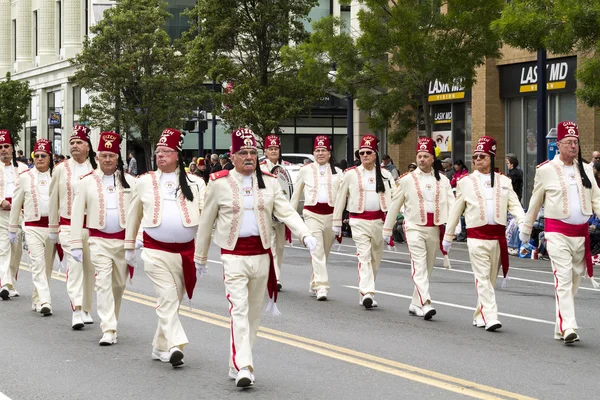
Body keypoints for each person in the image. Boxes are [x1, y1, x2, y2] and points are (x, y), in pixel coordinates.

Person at [194, 128, 315, 388]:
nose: (248, 157)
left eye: (252, 152)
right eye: (243, 152)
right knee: (238, 310)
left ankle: (235, 361)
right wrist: (200, 257)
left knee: (253, 315)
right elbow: (206, 223)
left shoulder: (270, 182)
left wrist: (305, 234)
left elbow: (286, 212)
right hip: (233, 255)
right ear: (233, 156)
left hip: (262, 255)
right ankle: (245, 366)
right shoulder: (219, 182)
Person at [126, 128, 206, 367]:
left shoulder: (196, 183)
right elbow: (133, 215)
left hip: (185, 252)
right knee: (168, 297)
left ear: (178, 155)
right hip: (155, 250)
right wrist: (130, 246)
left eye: (166, 152)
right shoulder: (144, 182)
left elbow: (207, 215)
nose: (160, 156)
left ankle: (159, 346)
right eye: (158, 152)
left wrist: (202, 254)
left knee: (173, 301)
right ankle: (175, 345)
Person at [520, 121, 600, 344]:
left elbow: (596, 198)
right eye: (569, 142)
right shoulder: (546, 170)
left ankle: (560, 326)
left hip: (581, 235)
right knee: (563, 279)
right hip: (557, 233)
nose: (573, 146)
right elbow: (535, 202)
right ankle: (569, 328)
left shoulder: (585, 169)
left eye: (576, 142)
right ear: (559, 144)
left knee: (574, 282)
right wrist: (526, 230)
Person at [443, 136, 525, 332]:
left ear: (492, 157)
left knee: (489, 280)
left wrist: (523, 224)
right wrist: (448, 236)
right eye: (475, 156)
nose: (477, 160)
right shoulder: (465, 182)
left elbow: (514, 204)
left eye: (482, 156)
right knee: (482, 278)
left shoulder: (504, 181)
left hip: (497, 238)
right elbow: (455, 210)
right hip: (476, 237)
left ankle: (480, 314)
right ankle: (491, 316)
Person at [70, 132, 136, 346]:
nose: (108, 160)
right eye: (104, 155)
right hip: (98, 241)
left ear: (118, 158)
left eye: (112, 156)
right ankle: (108, 328)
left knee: (118, 284)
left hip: (123, 241)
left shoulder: (130, 182)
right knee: (103, 283)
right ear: (97, 157)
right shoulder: (86, 182)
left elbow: (140, 212)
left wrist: (138, 239)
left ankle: (112, 320)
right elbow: (78, 213)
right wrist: (76, 244)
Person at [383, 137, 454, 320]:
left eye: (426, 156)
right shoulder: (406, 180)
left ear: (433, 159)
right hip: (414, 226)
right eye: (419, 156)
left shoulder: (443, 180)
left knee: (428, 268)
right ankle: (426, 302)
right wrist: (387, 229)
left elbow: (452, 204)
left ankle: (415, 303)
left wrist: (455, 226)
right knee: (419, 265)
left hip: (434, 228)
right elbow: (394, 204)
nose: (422, 159)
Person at [333, 134, 394, 309]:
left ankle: (367, 290)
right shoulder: (351, 174)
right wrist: (337, 222)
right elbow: (340, 198)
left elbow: (395, 196)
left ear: (375, 154)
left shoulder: (385, 174)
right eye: (362, 153)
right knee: (364, 256)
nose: (365, 155)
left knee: (375, 258)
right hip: (358, 221)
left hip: (379, 222)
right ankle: (367, 292)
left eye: (368, 152)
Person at [48, 125, 97, 329]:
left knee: (90, 269)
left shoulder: (96, 169)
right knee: (74, 266)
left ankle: (86, 308)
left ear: (87, 146)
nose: (75, 146)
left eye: (79, 143)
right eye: (72, 143)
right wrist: (53, 228)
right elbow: (53, 198)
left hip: (92, 227)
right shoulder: (61, 169)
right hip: (68, 226)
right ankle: (76, 309)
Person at [290, 135, 342, 300]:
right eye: (317, 150)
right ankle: (322, 287)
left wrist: (341, 219)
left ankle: (315, 281)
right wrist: (290, 218)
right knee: (317, 250)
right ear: (313, 152)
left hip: (331, 215)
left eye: (323, 150)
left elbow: (343, 198)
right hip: (312, 214)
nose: (320, 153)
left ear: (329, 152)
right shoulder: (305, 170)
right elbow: (296, 194)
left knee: (324, 253)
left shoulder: (338, 172)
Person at [6, 138, 53, 309]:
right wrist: (12, 228)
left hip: (52, 228)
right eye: (37, 156)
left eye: (43, 156)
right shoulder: (25, 177)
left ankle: (37, 298)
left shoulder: (56, 177)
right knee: (37, 264)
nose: (40, 159)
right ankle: (45, 301)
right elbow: (17, 204)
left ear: (50, 158)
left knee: (47, 267)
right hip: (32, 226)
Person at [0, 131, 35, 301]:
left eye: (6, 146)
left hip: (19, 214)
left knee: (16, 251)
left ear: (12, 149)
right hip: (1, 213)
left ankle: (11, 282)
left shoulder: (22, 169)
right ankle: (5, 284)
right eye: (0, 147)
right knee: (3, 248)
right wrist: (1, 201)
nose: (3, 150)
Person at [260, 134, 288, 290]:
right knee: (270, 246)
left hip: (281, 214)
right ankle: (275, 278)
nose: (273, 151)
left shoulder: (285, 167)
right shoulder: (260, 167)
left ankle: (274, 275)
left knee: (279, 247)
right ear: (265, 150)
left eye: (275, 148)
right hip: (266, 212)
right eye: (270, 148)